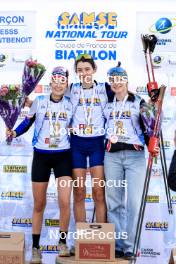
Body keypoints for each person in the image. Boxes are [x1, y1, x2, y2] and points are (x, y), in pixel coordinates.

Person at [6, 67, 73, 262]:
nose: (59, 84)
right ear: (50, 83)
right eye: (56, 80)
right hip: (41, 156)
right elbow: (27, 123)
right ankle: (35, 248)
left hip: (63, 157)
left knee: (63, 202)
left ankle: (62, 243)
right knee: (39, 204)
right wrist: (14, 133)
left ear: (66, 85)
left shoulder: (71, 104)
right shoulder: (40, 101)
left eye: (63, 81)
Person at [103, 63, 159, 260]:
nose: (116, 83)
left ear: (126, 80)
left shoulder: (139, 101)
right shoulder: (106, 102)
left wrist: (154, 141)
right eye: (113, 80)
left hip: (135, 157)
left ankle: (130, 246)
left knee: (134, 203)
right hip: (112, 157)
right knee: (114, 203)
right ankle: (118, 244)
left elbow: (152, 126)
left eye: (120, 79)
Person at [69, 54, 109, 224]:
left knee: (99, 193)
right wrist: (26, 102)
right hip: (77, 144)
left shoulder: (105, 88)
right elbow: (52, 100)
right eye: (79, 70)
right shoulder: (71, 88)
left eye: (87, 69)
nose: (83, 73)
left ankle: (100, 239)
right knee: (78, 192)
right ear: (76, 72)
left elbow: (125, 95)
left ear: (94, 70)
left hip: (97, 144)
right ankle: (81, 238)